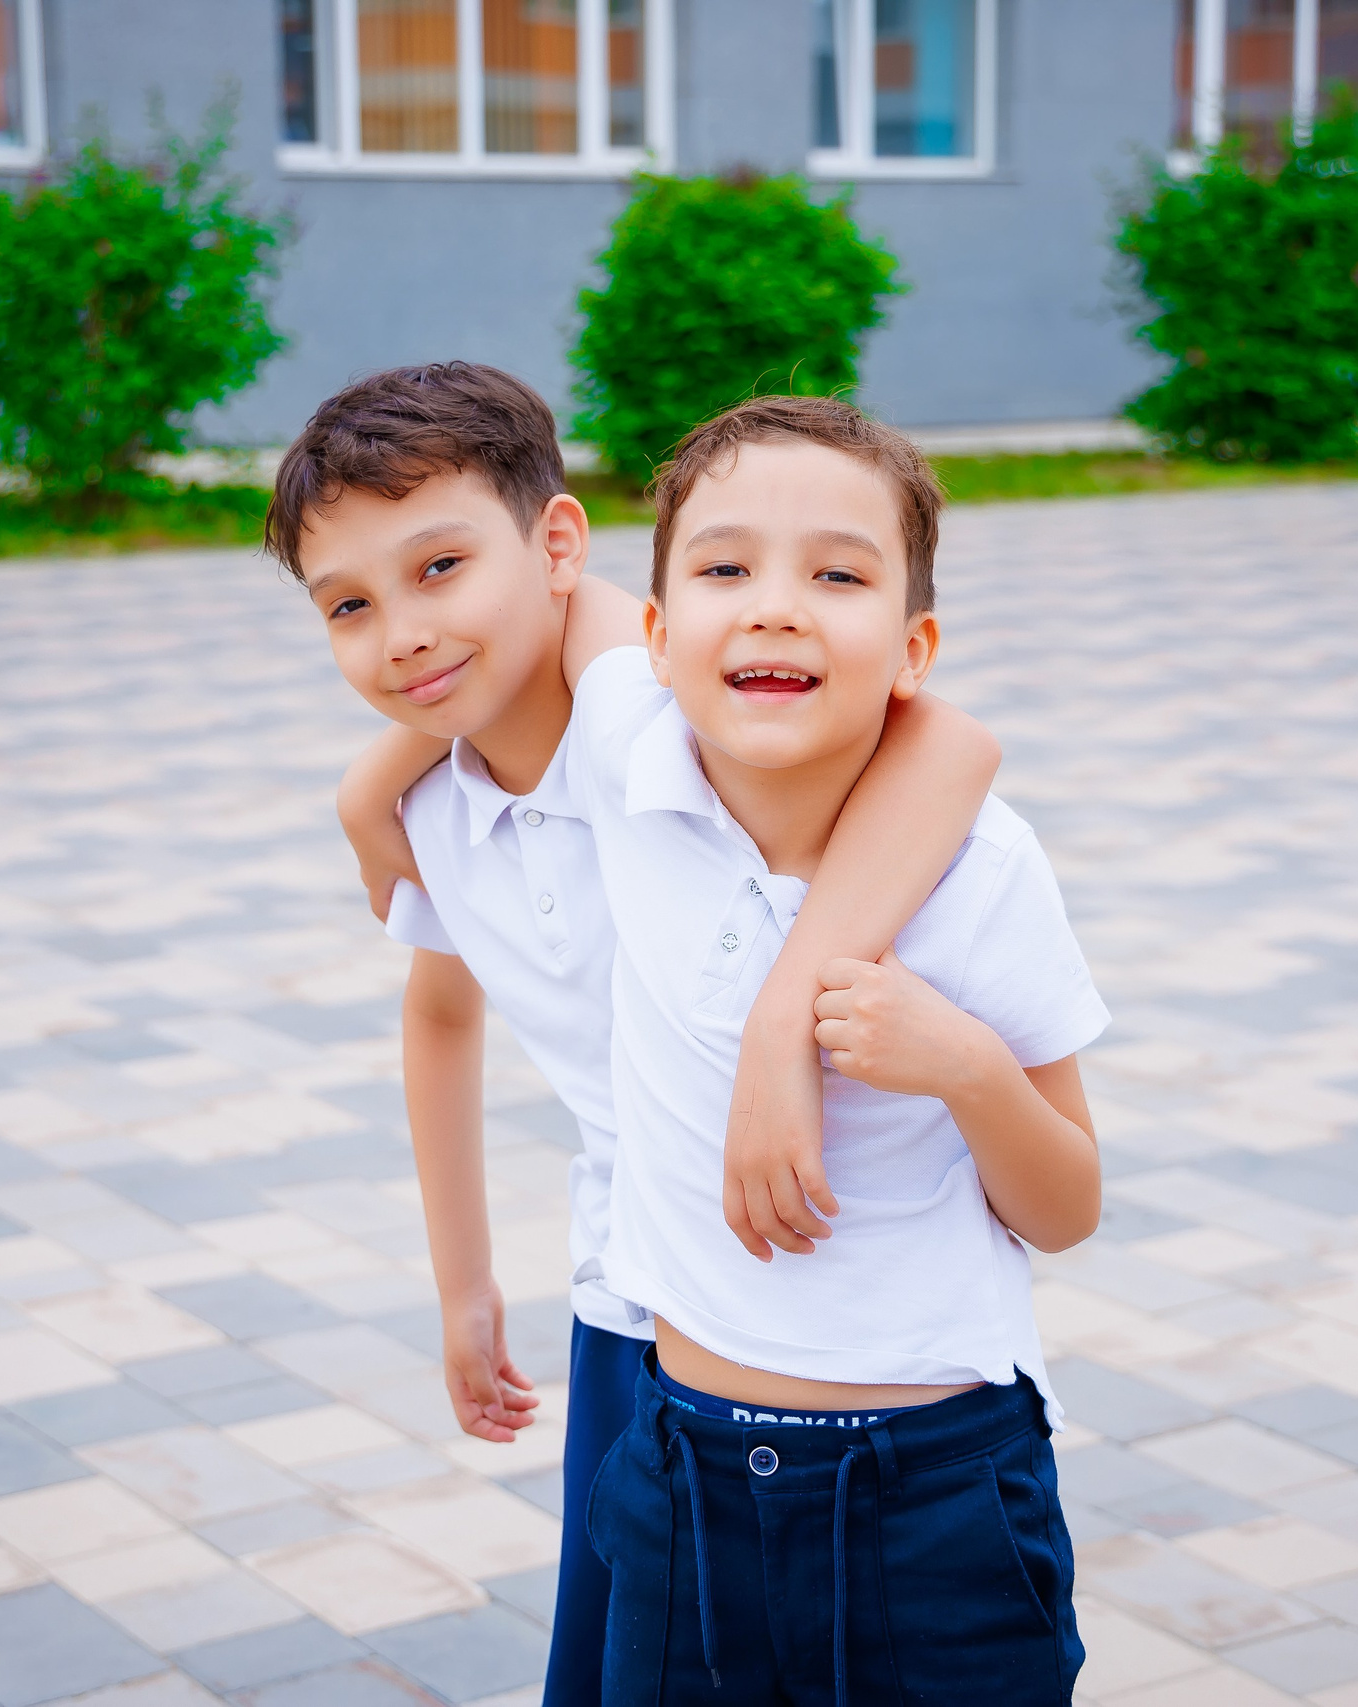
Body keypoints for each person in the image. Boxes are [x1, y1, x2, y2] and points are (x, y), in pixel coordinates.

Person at [264, 363, 1000, 1707]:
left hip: (824, 1317)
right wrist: (463, 1284)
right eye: (352, 607)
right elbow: (439, 1011)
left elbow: (947, 746)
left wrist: (788, 1013)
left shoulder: (658, 719)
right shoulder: (437, 803)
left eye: (441, 567)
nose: (406, 632)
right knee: (615, 1666)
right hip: (627, 1296)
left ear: (554, 544)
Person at [565, 395, 1108, 1706]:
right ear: (654, 634)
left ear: (914, 646)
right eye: (724, 566)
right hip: (680, 1468)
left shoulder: (984, 870)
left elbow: (1069, 1206)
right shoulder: (622, 756)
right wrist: (368, 793)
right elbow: (477, 629)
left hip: (931, 1494)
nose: (774, 604)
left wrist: (966, 1066)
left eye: (839, 574)